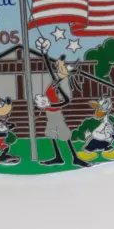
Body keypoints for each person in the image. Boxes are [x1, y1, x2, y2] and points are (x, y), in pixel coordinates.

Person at [34, 37, 92, 168]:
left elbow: (66, 101)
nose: (59, 68)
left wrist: (50, 105)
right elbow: (49, 67)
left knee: (64, 134)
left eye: (63, 67)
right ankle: (58, 157)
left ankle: (75, 158)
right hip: (50, 113)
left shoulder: (62, 84)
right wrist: (44, 52)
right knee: (52, 133)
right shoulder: (55, 81)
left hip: (56, 113)